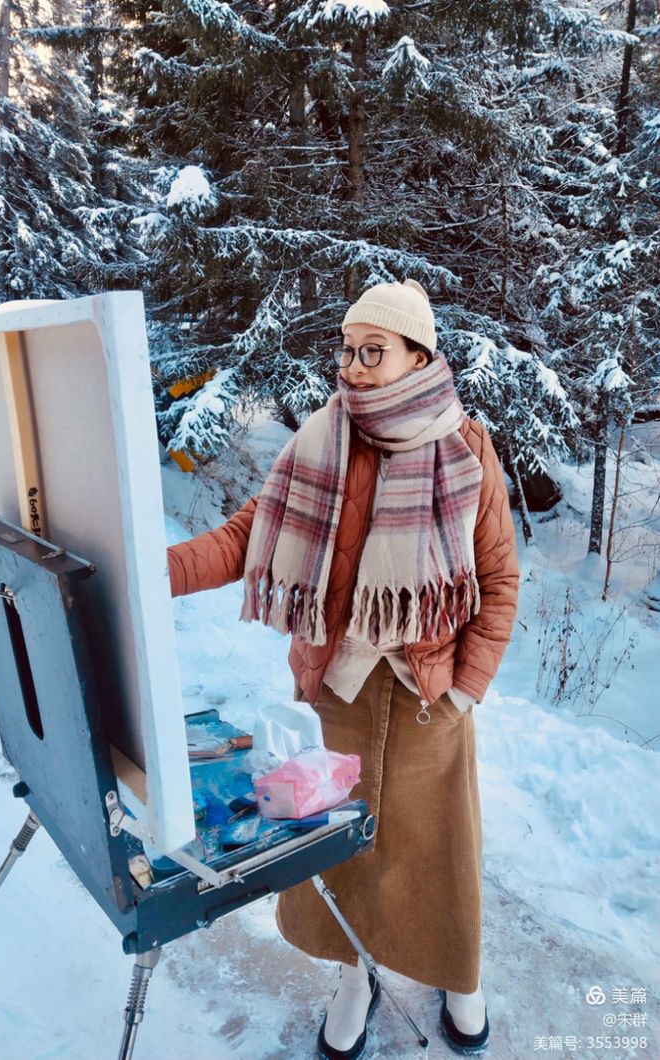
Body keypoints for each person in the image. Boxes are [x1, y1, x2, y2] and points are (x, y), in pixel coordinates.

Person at [166, 278, 520, 1058]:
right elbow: (246, 536)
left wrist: (466, 688)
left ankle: (457, 973)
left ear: (418, 357)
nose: (353, 367)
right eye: (348, 350)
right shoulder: (323, 439)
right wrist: (156, 570)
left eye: (373, 351)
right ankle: (355, 974)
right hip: (338, 687)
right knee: (339, 844)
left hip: (430, 694)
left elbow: (499, 579)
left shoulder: (467, 448)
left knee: (438, 851)